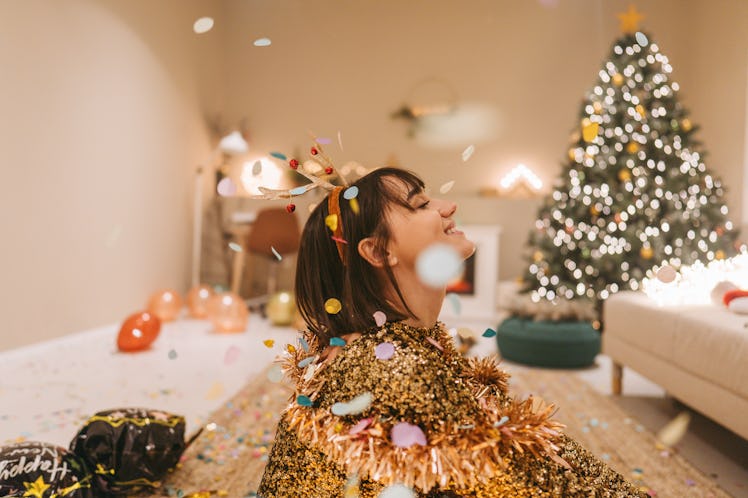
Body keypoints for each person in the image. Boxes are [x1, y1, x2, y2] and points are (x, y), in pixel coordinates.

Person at [258, 167, 645, 497]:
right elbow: (525, 482)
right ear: (377, 252)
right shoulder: (393, 368)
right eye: (421, 204)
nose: (448, 207)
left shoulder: (397, 346)